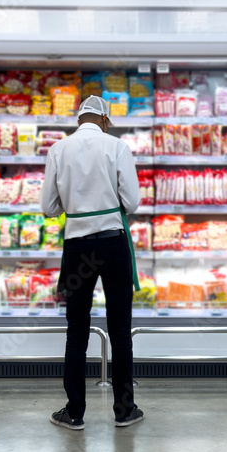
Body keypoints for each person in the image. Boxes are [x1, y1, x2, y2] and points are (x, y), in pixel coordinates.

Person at [40, 95, 143, 430]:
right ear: (104, 120)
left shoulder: (58, 149)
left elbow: (49, 208)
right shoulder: (118, 147)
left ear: (79, 119)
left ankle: (74, 412)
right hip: (113, 244)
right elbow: (133, 202)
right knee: (120, 330)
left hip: (77, 248)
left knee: (76, 331)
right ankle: (124, 410)